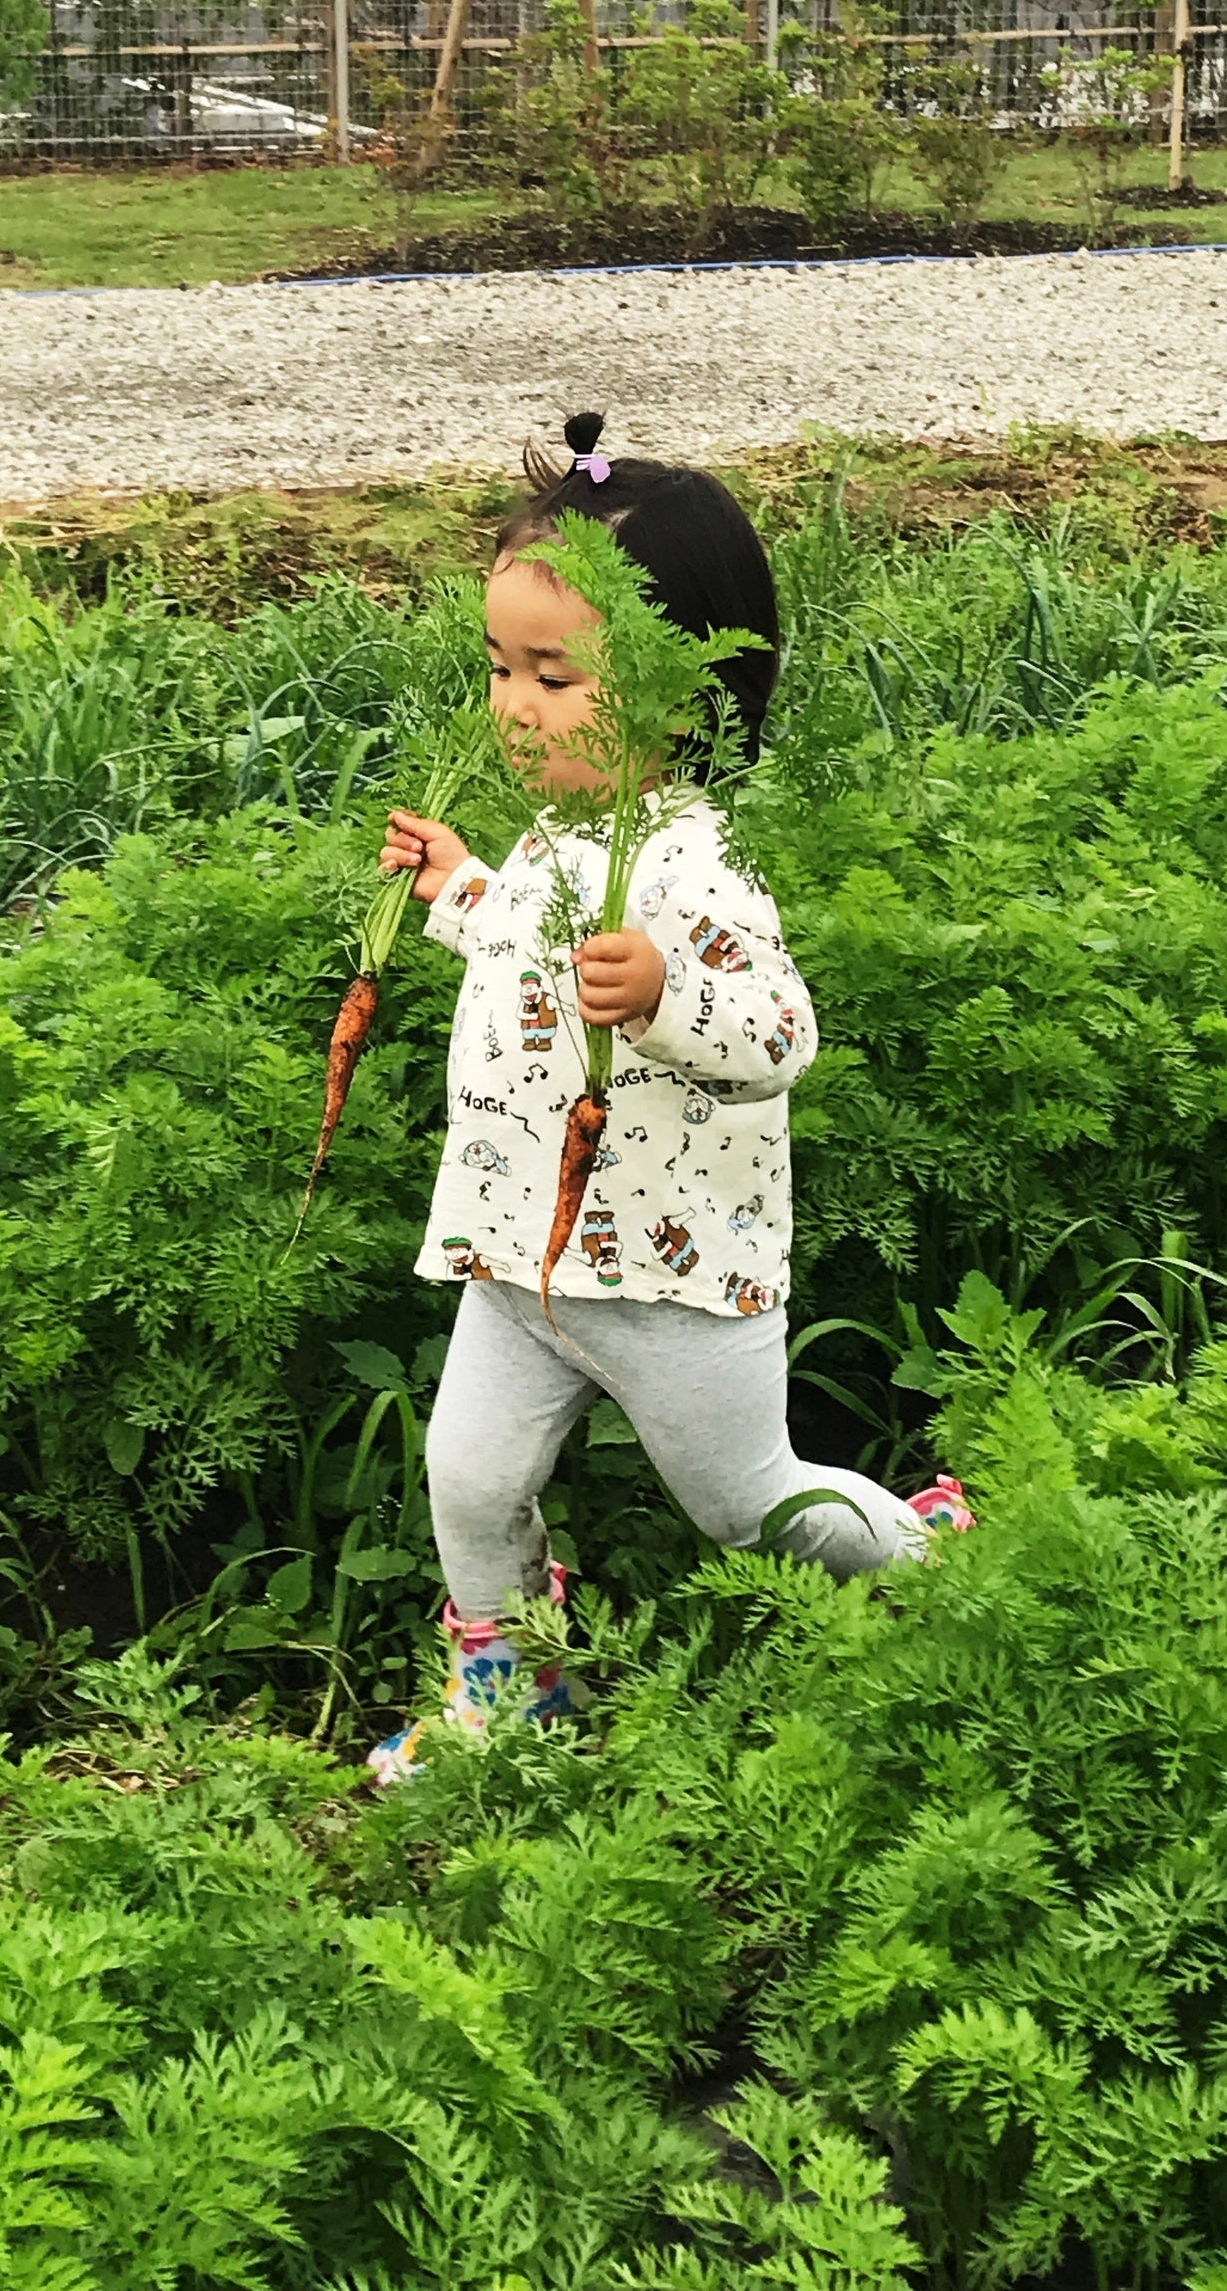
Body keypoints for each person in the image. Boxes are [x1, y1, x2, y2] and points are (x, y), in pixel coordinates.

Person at [366, 414, 971, 1786]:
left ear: (684, 692)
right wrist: (464, 887)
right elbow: (533, 953)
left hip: (669, 1272)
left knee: (745, 1505)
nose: (514, 705)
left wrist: (663, 997)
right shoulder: (555, 836)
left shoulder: (697, 869)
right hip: (521, 1258)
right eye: (499, 668)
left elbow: (778, 1037)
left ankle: (925, 1549)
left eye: (555, 677)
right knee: (469, 1479)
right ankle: (513, 1692)